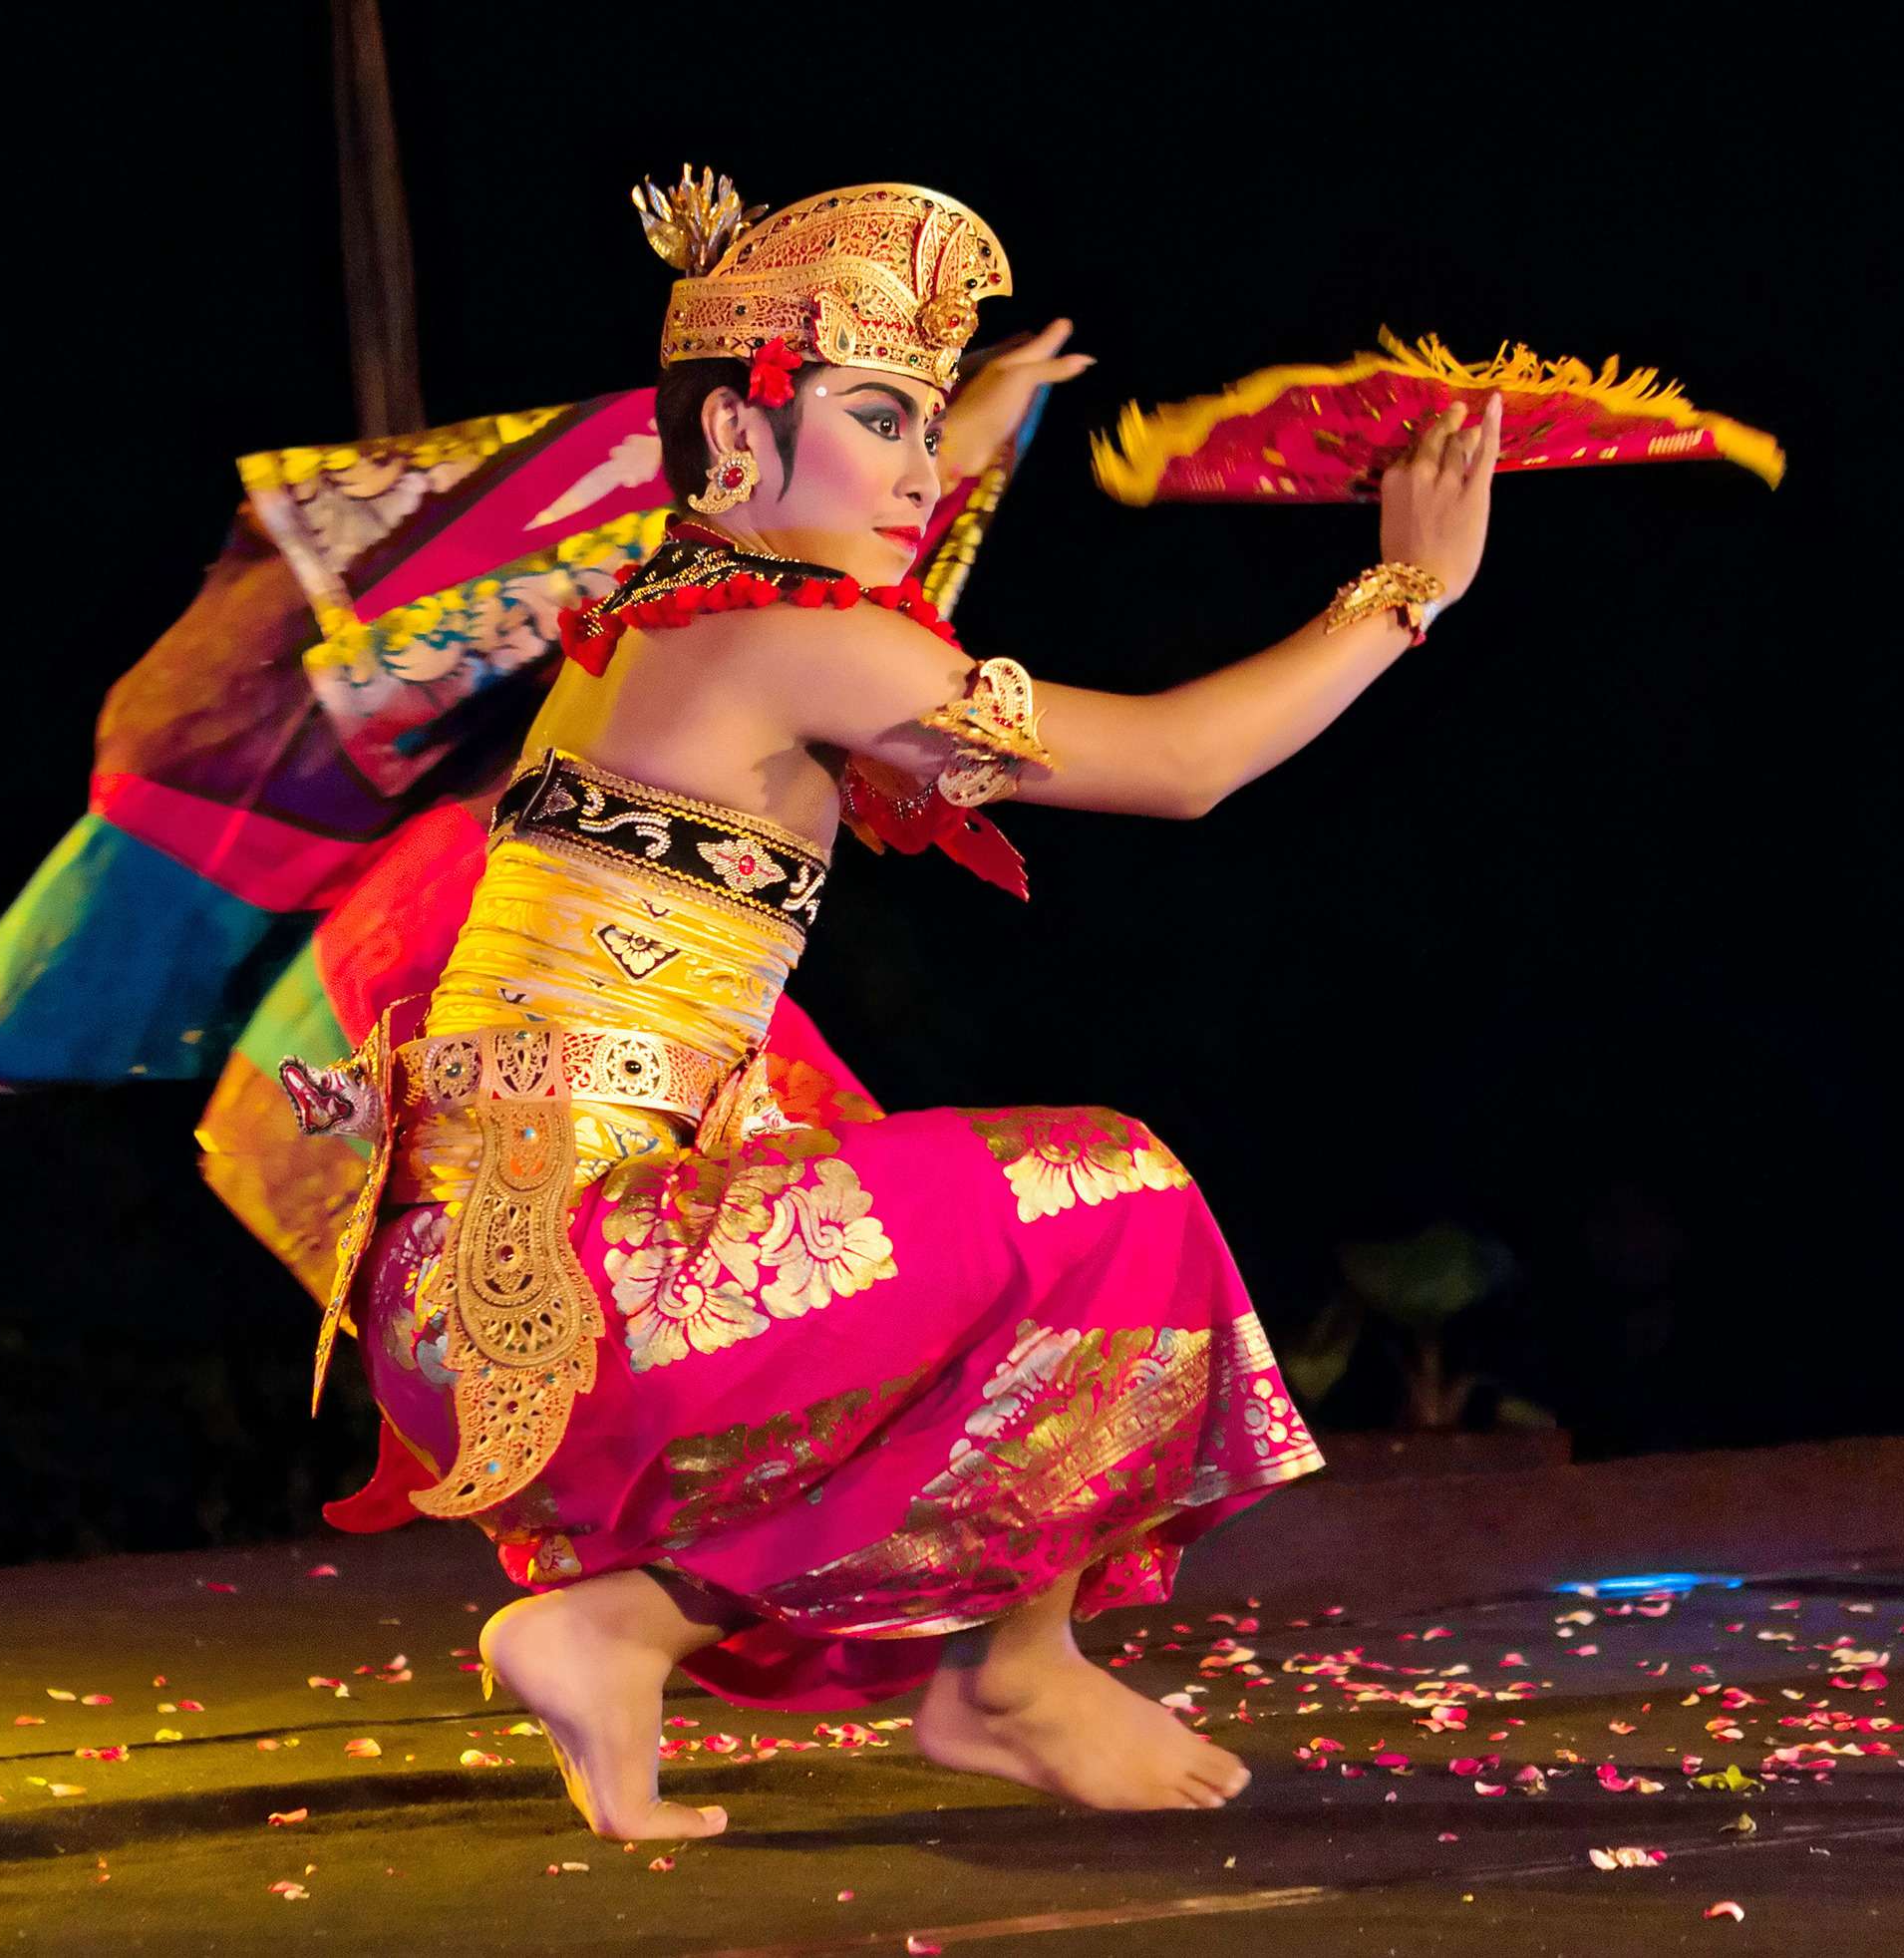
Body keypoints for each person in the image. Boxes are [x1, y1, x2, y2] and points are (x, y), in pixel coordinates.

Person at [271, 170, 1503, 1842]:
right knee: (1115, 1198)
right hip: (581, 1284)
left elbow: (895, 630)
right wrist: (1405, 594)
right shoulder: (785, 632)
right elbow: (1179, 765)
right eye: (878, 416)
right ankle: (1005, 1674)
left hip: (497, 1299)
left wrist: (963, 430)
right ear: (733, 439)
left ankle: (620, 1633)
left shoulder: (662, 612)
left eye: (924, 426)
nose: (920, 470)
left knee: (921, 1214)